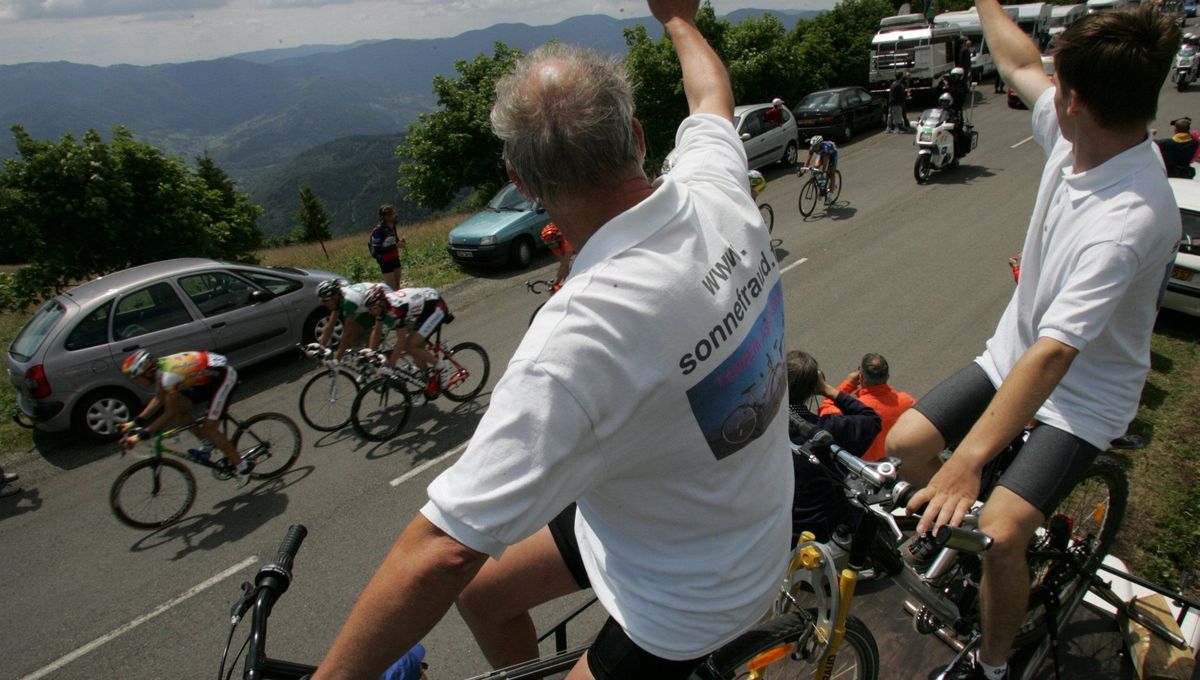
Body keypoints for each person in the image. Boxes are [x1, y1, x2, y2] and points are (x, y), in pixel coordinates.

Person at [311, 1, 793, 677]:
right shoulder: (716, 188)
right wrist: (678, 18)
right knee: (481, 594)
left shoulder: (575, 342)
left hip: (696, 605)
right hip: (723, 517)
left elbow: (443, 551)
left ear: (521, 181)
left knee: (467, 576)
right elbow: (711, 92)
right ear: (636, 134)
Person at [885, 5, 1181, 680]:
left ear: (1073, 98)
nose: (1043, 84)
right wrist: (989, 2)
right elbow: (1016, 60)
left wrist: (968, 463)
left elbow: (1054, 357)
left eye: (1057, 79)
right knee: (904, 446)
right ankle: (970, 533)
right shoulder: (1086, 133)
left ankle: (993, 662)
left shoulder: (1128, 218)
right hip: (1012, 357)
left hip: (1082, 399)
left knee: (1003, 533)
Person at [785, 351, 880, 571]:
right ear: (813, 387)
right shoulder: (825, 430)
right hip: (818, 531)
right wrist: (828, 389)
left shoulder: (754, 428)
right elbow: (871, 419)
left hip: (774, 529)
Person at [118, 350, 252, 486]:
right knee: (179, 411)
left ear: (146, 371)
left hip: (223, 378)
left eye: (136, 378)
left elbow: (169, 413)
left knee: (209, 429)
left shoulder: (169, 376)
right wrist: (134, 423)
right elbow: (159, 398)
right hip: (206, 377)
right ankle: (208, 443)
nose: (136, 382)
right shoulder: (160, 369)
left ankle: (243, 467)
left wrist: (142, 435)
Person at [819, 353, 915, 462]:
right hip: (901, 463)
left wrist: (848, 384)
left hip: (868, 471)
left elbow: (827, 412)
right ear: (887, 377)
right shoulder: (907, 401)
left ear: (861, 377)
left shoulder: (856, 410)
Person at [366, 284, 454, 402]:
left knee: (410, 346)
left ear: (382, 303)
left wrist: (390, 366)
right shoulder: (383, 307)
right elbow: (377, 331)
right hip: (424, 309)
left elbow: (401, 340)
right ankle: (427, 386)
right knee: (415, 351)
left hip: (436, 308)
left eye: (373, 309)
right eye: (369, 309)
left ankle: (442, 366)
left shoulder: (395, 309)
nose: (371, 312)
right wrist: (371, 353)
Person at [314, 278, 390, 362]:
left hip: (382, 304)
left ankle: (385, 362)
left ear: (335, 296)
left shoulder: (348, 302)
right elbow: (329, 326)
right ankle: (366, 351)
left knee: (370, 353)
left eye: (325, 300)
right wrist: (321, 348)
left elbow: (347, 333)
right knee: (352, 339)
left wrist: (336, 360)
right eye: (321, 300)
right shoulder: (338, 299)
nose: (323, 303)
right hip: (368, 308)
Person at [370, 204, 405, 290]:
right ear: (386, 217)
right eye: (393, 214)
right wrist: (395, 246)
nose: (395, 215)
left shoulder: (393, 227)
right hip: (385, 261)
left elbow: (395, 240)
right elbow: (377, 250)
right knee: (391, 287)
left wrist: (400, 242)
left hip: (395, 257)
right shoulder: (378, 231)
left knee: (397, 285)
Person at [802, 135, 839, 203]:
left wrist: (822, 171)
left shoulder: (825, 148)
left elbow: (825, 163)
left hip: (832, 154)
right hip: (822, 154)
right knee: (816, 167)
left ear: (820, 145)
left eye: (816, 146)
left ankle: (830, 193)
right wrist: (803, 170)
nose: (814, 148)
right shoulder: (812, 148)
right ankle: (822, 184)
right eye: (813, 146)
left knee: (831, 172)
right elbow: (807, 160)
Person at [540, 223, 574, 290]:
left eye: (551, 244)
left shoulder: (566, 243)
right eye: (547, 244)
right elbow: (564, 265)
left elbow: (565, 263)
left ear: (559, 240)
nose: (550, 247)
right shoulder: (554, 246)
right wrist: (566, 283)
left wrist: (556, 281)